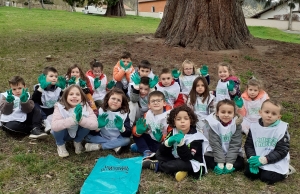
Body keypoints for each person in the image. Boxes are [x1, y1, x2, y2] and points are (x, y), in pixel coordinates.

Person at [142, 105, 208, 182]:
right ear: (174, 122)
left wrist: (181, 144)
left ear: (191, 120)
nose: (182, 121)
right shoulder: (173, 131)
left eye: (186, 118)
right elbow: (163, 151)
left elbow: (188, 158)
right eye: (178, 119)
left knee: (178, 164)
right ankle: (180, 171)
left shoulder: (196, 138)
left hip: (192, 162)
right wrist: (167, 143)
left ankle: (157, 165)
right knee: (159, 153)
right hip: (175, 157)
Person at [244, 99, 292, 184]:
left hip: (274, 159)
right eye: (267, 112)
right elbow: (249, 145)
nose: (269, 115)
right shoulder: (254, 127)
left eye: (274, 114)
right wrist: (251, 158)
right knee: (249, 173)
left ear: (279, 117)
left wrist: (265, 160)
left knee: (267, 178)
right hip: (257, 157)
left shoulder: (281, 129)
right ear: (260, 112)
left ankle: (287, 171)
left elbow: (282, 150)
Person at [51, 85, 98, 158]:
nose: (74, 96)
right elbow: (54, 126)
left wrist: (80, 119)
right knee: (57, 128)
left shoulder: (85, 106)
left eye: (78, 94)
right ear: (66, 96)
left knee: (88, 124)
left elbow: (95, 125)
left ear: (82, 97)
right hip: (64, 134)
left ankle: (77, 142)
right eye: (71, 94)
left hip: (78, 132)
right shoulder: (59, 107)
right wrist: (73, 119)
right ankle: (60, 145)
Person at [84, 88, 131, 155]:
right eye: (113, 98)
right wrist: (98, 127)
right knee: (87, 137)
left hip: (117, 137)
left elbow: (128, 134)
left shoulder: (124, 114)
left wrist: (122, 128)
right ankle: (114, 146)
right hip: (102, 136)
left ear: (121, 104)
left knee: (127, 140)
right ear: (108, 99)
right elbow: (92, 132)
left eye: (119, 100)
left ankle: (99, 146)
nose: (115, 101)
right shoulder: (101, 111)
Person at [204, 99, 244, 175]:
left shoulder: (237, 125)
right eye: (223, 112)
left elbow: (235, 144)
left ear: (234, 114)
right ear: (217, 113)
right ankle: (221, 164)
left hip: (232, 152)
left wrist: (229, 162)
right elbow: (215, 144)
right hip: (215, 153)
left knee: (240, 164)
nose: (226, 115)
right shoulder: (213, 124)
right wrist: (220, 162)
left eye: (229, 112)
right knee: (207, 160)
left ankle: (228, 164)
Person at [131, 91, 172, 158]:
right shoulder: (148, 114)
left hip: (162, 141)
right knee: (137, 134)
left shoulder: (170, 116)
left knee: (163, 151)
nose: (155, 103)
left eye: (158, 101)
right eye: (153, 101)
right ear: (149, 105)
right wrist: (138, 131)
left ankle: (140, 147)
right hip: (151, 137)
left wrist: (161, 138)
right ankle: (146, 151)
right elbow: (144, 128)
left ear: (164, 103)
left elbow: (172, 133)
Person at [32, 67, 65, 132]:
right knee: (35, 105)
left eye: (56, 76)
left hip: (52, 108)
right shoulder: (39, 87)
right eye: (51, 76)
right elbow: (34, 99)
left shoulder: (58, 88)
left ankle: (56, 123)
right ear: (44, 77)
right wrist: (41, 89)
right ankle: (45, 122)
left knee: (61, 106)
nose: (54, 78)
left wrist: (64, 89)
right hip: (42, 109)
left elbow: (64, 99)